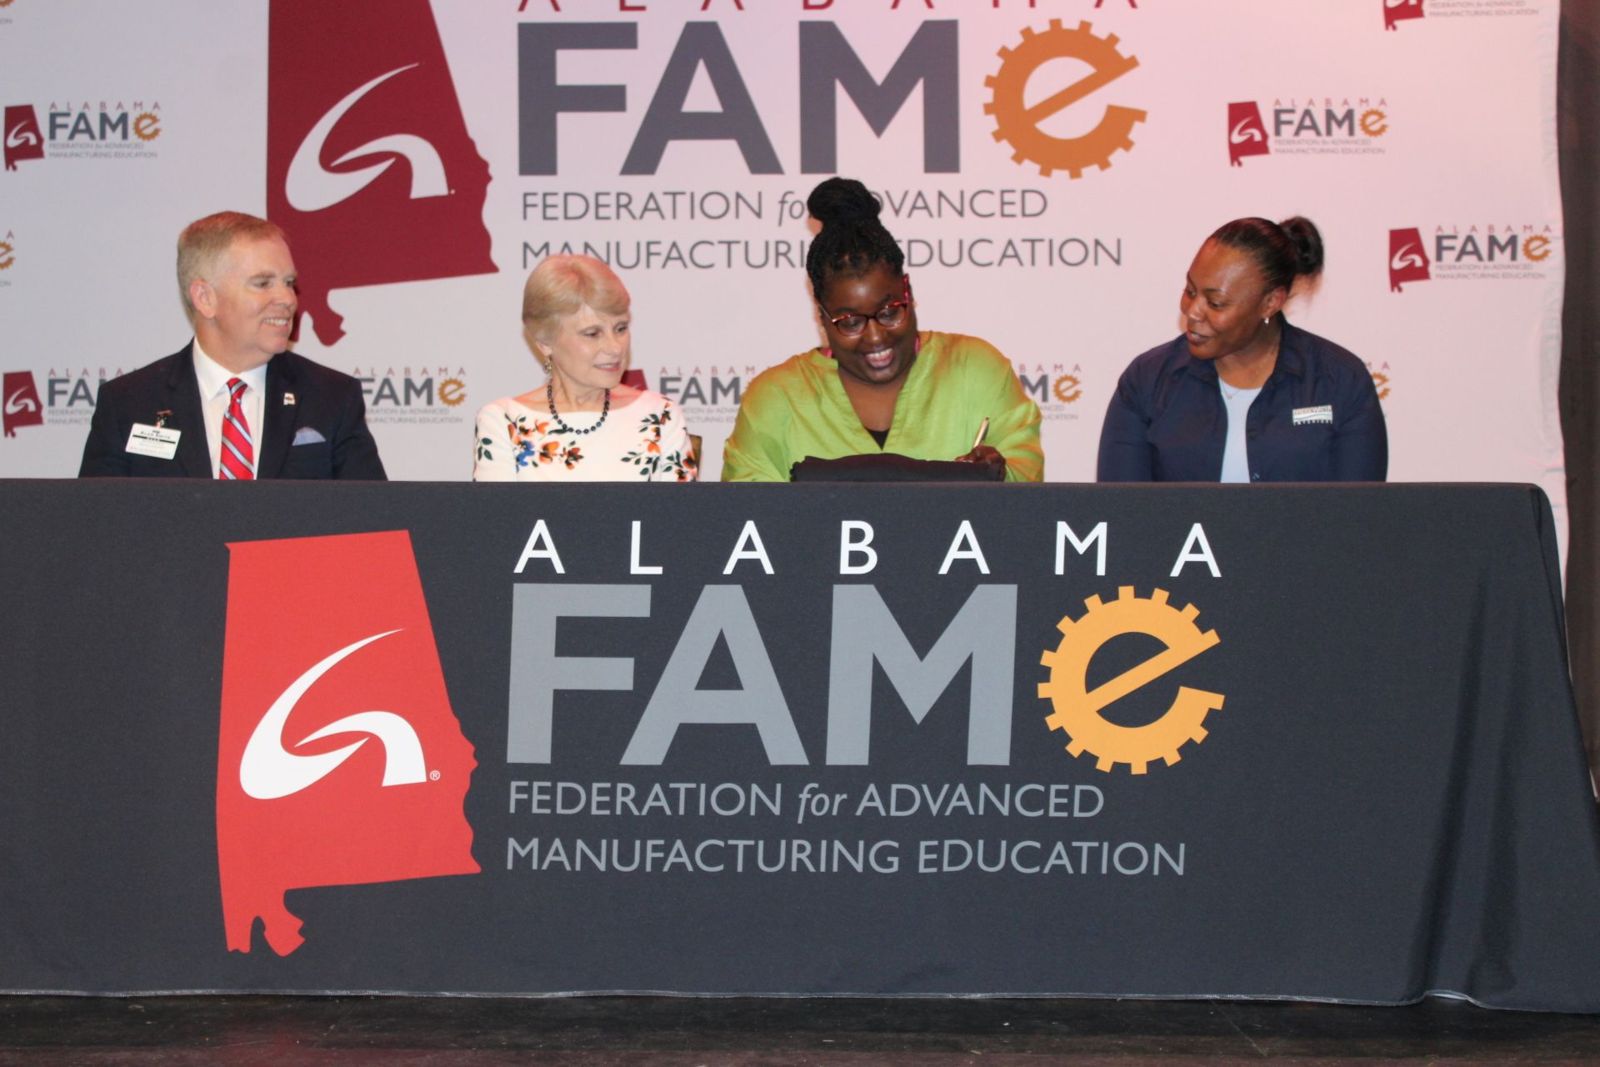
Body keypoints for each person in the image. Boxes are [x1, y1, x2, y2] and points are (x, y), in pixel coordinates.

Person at [721, 177, 1042, 482]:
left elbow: (1027, 482)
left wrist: (1000, 474)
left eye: (889, 312)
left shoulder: (976, 370)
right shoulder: (777, 398)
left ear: (908, 291)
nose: (875, 337)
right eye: (850, 322)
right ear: (821, 315)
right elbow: (747, 518)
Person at [78, 212, 385, 479]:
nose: (288, 299)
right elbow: (97, 530)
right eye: (263, 283)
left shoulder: (332, 398)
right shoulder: (128, 403)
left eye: (289, 283)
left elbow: (374, 528)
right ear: (205, 298)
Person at [1097, 216, 1386, 483]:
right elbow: (1123, 516)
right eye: (1190, 291)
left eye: (1216, 303)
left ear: (1271, 302)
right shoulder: (1146, 381)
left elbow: (1357, 520)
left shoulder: (1341, 381)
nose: (1192, 312)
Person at [472, 255, 696, 481]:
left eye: (620, 328)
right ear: (545, 342)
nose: (615, 347)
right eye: (592, 333)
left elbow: (681, 515)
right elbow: (496, 516)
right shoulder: (504, 421)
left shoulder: (660, 415)